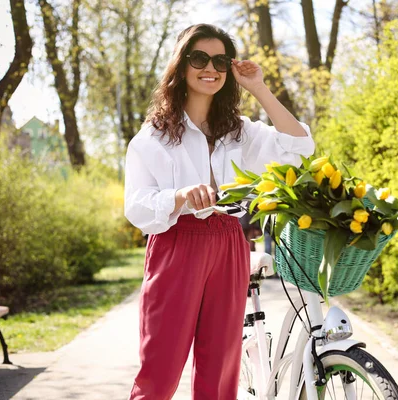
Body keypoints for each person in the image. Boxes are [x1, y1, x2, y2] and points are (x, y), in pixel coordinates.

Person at [124, 24, 315, 400]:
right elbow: (136, 207)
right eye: (199, 58)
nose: (209, 67)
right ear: (181, 66)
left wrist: (259, 88)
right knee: (159, 372)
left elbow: (300, 147)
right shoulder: (154, 136)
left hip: (230, 242)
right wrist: (179, 196)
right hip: (176, 246)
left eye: (220, 60)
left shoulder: (238, 130)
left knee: (220, 371)